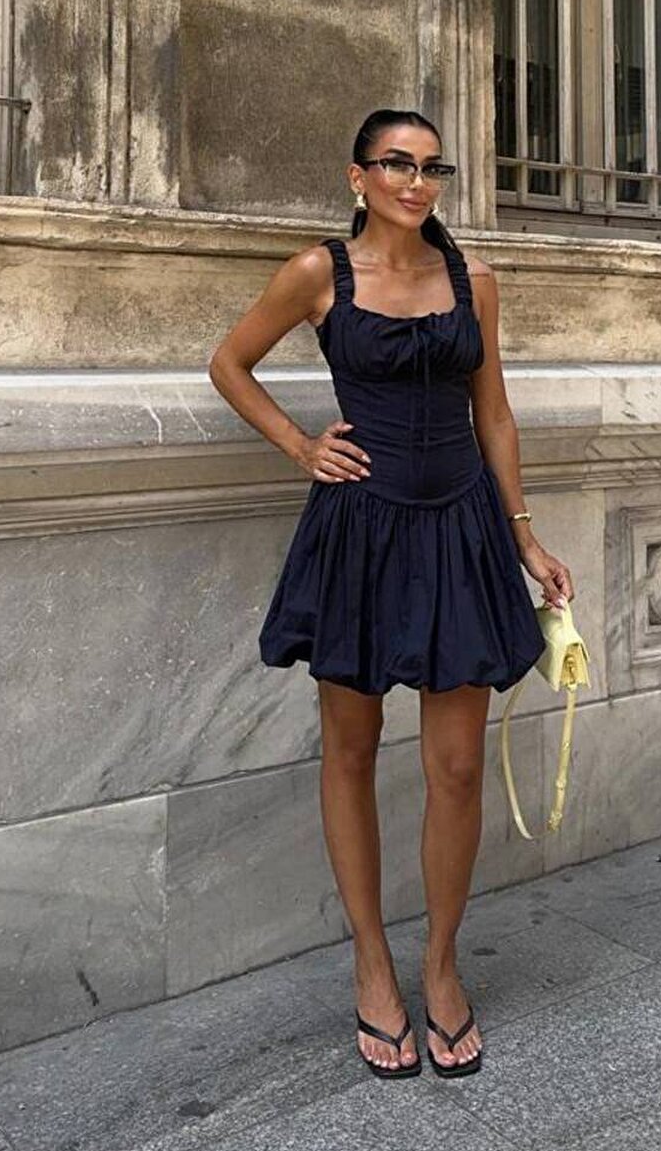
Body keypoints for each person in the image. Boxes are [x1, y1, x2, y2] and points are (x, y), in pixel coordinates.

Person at [207, 108, 575, 1081]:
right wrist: (302, 446)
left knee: (457, 766)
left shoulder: (473, 280)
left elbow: (494, 414)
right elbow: (229, 364)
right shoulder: (317, 273)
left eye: (431, 167)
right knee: (351, 749)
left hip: (461, 529)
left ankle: (442, 966)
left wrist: (525, 536)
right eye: (397, 164)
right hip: (360, 531)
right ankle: (372, 964)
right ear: (357, 177)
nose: (417, 182)